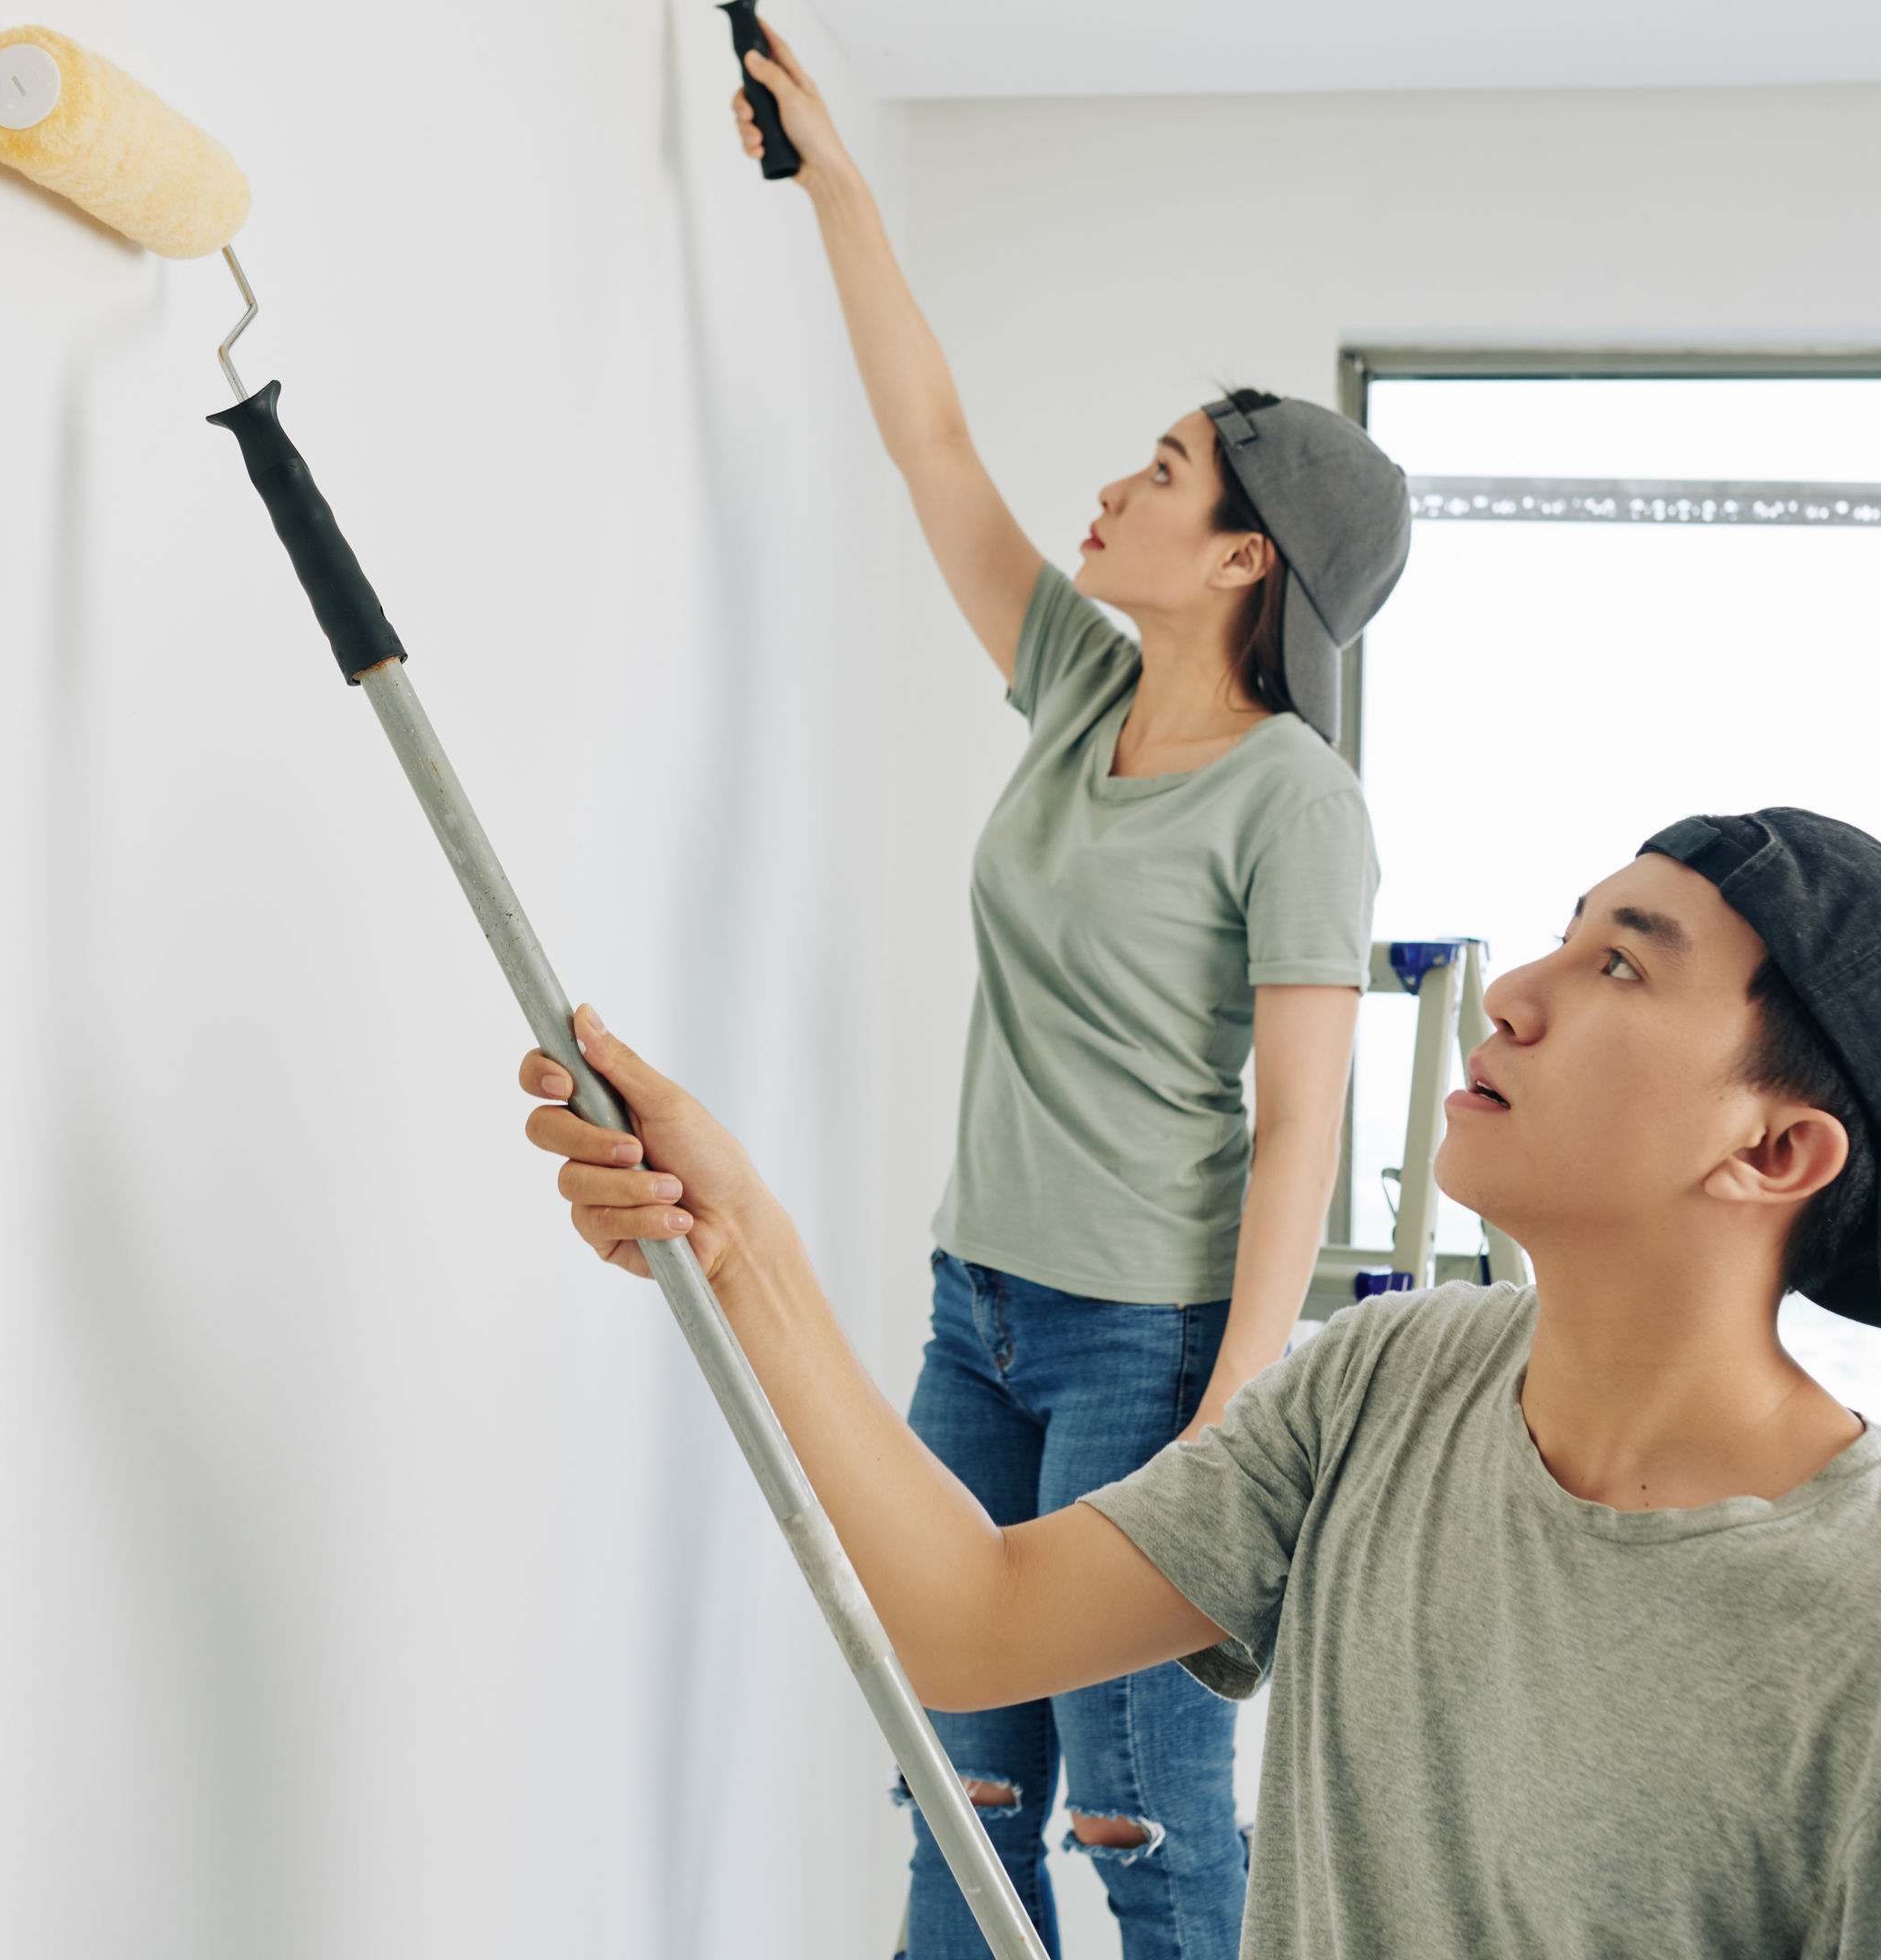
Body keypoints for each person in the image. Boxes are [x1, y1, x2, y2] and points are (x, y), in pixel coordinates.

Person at [518, 808, 1881, 1956]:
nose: (1514, 991)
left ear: (1776, 1150)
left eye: (1621, 967)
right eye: (1563, 931)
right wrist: (745, 1257)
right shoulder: (1386, 1388)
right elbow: (979, 1618)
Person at [722, 22, 1413, 1957]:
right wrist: (838, 179)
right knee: (960, 1791)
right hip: (983, 1314)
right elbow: (930, 442)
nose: (1112, 484)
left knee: (1143, 1816)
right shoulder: (1077, 687)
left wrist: (1233, 1408)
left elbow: (1304, 1128)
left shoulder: (1298, 804)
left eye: (1166, 470)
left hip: (1150, 1344)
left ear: (1244, 555)